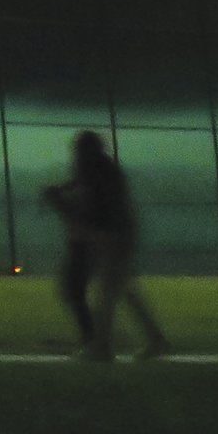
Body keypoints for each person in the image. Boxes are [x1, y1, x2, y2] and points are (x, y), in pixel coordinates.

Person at [43, 131, 168, 361]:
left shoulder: (97, 174)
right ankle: (154, 339)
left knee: (108, 295)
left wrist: (59, 201)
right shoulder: (102, 170)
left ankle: (102, 347)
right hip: (116, 236)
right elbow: (83, 191)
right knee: (122, 291)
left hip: (113, 237)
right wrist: (61, 193)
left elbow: (90, 208)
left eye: (78, 150)